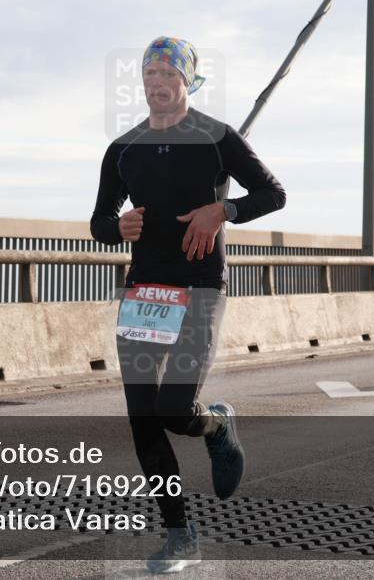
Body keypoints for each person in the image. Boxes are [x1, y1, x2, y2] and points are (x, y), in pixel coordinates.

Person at [90, 36, 287, 573]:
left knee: (175, 410)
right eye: (149, 74)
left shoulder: (217, 138)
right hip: (145, 292)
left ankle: (216, 426)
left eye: (167, 74)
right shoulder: (124, 148)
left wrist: (222, 211)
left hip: (200, 287)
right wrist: (117, 227)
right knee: (143, 420)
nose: (156, 83)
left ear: (187, 81)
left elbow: (273, 194)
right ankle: (180, 537)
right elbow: (100, 220)